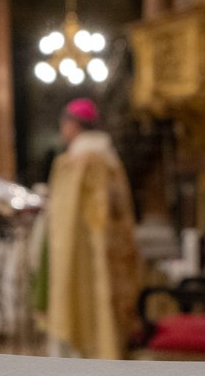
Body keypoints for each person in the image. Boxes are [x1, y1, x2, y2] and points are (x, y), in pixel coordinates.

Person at [46, 98, 142, 360]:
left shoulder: (77, 162)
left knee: (82, 307)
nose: (62, 130)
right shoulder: (109, 157)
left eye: (63, 124)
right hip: (112, 249)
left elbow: (63, 222)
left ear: (73, 124)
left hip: (82, 252)